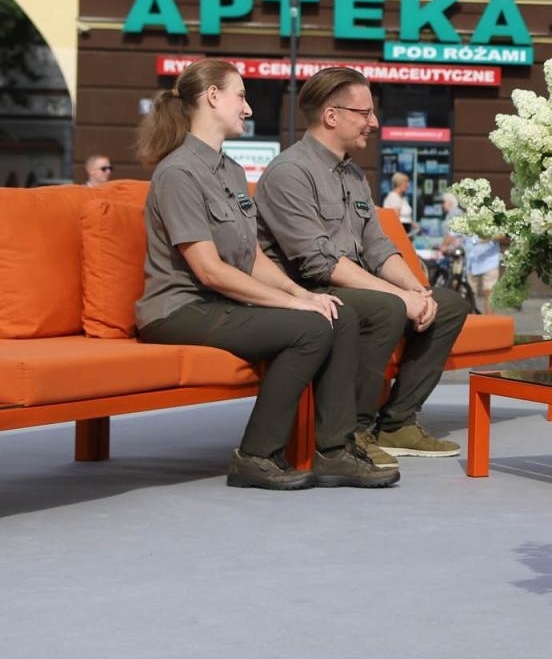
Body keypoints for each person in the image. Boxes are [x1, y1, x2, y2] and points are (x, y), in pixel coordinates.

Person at [132, 60, 397, 491]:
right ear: (213, 97)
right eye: (240, 96)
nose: (248, 108)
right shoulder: (178, 173)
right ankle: (256, 456)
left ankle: (335, 452)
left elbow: (252, 257)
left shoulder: (232, 172)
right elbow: (209, 270)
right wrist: (295, 304)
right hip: (179, 310)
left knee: (338, 312)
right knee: (310, 330)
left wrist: (305, 294)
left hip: (217, 304)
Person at [255, 67, 468, 465]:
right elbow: (318, 262)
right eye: (364, 112)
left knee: (448, 304)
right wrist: (398, 297)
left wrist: (417, 291)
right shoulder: (290, 173)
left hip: (347, 284)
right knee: (384, 307)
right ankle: (353, 430)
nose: (374, 122)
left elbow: (377, 246)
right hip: (305, 293)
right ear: (331, 116)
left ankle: (398, 423)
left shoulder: (352, 173)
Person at [384, 171, 414, 236]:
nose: (408, 185)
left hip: (406, 232)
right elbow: (396, 219)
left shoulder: (402, 198)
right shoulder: (394, 197)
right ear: (399, 183)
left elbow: (405, 217)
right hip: (399, 234)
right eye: (405, 182)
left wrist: (413, 224)